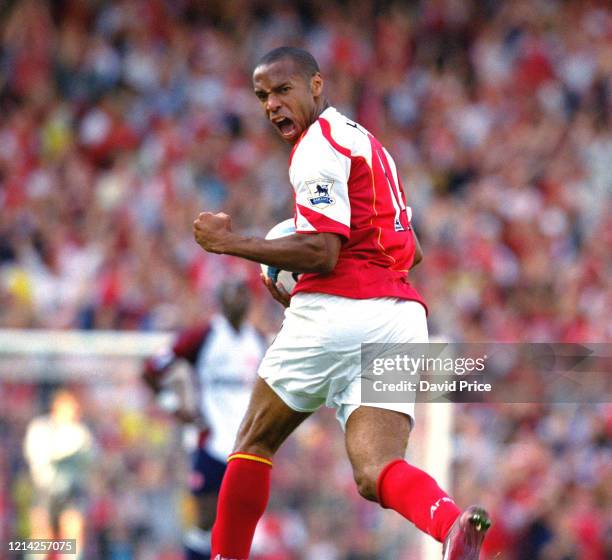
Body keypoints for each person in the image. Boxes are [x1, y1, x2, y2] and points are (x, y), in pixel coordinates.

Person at [193, 47, 491, 560]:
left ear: (315, 85)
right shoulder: (370, 146)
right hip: (400, 317)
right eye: (262, 96)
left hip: (339, 308)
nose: (272, 105)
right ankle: (448, 524)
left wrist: (231, 243)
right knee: (375, 470)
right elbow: (411, 251)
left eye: (283, 90)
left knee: (253, 440)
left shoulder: (317, 146)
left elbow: (321, 250)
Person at [142, 281, 266, 560]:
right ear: (220, 302)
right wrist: (173, 406)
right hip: (211, 442)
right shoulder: (205, 336)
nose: (237, 302)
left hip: (248, 446)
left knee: (241, 521)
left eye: (242, 296)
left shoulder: (257, 341)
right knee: (206, 518)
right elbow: (151, 369)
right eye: (231, 295)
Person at [23, 389, 94, 560]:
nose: (74, 412)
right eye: (71, 407)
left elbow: (90, 458)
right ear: (58, 407)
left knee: (73, 533)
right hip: (45, 489)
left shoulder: (80, 431)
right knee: (41, 537)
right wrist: (66, 451)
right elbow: (37, 455)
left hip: (70, 491)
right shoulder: (40, 427)